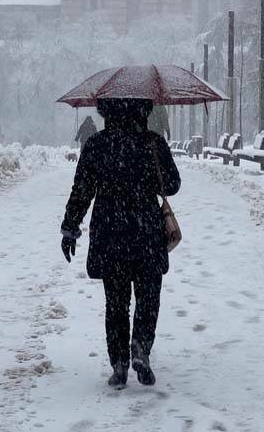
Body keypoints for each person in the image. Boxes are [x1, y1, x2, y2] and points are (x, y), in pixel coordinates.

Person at [60, 98, 181, 389]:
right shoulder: (153, 143)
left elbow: (82, 190)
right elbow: (173, 185)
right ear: (144, 109)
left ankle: (119, 363)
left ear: (105, 110)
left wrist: (70, 227)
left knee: (116, 303)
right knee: (148, 297)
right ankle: (140, 346)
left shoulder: (97, 144)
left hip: (110, 232)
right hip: (146, 232)